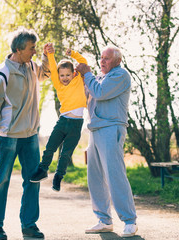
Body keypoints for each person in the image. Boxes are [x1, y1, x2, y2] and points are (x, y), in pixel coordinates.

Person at [0, 28, 51, 240]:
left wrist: (46, 57)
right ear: (19, 49)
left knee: (32, 181)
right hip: (8, 137)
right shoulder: (3, 73)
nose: (33, 51)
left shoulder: (31, 66)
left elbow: (46, 74)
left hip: (30, 136)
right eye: (32, 48)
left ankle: (29, 225)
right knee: (2, 182)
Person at [76, 46, 138, 238]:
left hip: (111, 129)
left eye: (107, 59)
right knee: (95, 177)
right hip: (95, 129)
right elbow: (89, 94)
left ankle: (129, 221)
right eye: (101, 58)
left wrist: (87, 75)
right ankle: (104, 220)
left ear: (117, 61)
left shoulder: (120, 75)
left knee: (114, 175)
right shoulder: (101, 77)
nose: (102, 61)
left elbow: (100, 93)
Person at [30, 45, 87, 192]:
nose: (64, 78)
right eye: (62, 75)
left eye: (67, 75)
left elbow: (84, 62)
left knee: (66, 154)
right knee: (50, 147)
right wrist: (50, 54)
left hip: (76, 125)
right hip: (62, 122)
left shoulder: (78, 79)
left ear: (74, 74)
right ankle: (42, 169)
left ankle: (58, 177)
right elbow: (54, 67)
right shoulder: (58, 84)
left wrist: (72, 53)